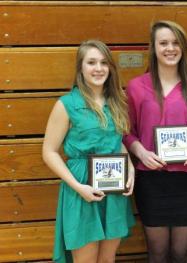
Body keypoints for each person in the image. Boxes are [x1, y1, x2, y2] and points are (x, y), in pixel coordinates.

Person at [43, 40, 135, 263]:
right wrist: (78, 187)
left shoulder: (116, 102)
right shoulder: (66, 104)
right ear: (80, 68)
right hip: (81, 189)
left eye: (104, 62)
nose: (99, 68)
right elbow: (49, 152)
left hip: (112, 189)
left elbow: (117, 142)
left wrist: (130, 170)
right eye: (91, 62)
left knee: (107, 259)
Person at [123, 21, 187, 263]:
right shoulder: (136, 86)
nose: (170, 48)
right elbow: (127, 133)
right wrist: (141, 152)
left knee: (182, 253)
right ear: (153, 47)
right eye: (163, 43)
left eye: (175, 43)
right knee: (157, 254)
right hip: (150, 178)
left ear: (183, 47)